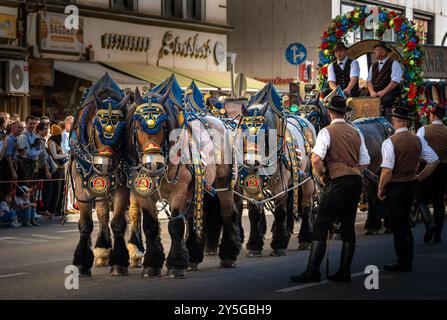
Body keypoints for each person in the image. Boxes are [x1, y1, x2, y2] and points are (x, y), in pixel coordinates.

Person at [290, 95, 370, 283]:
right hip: (355, 181)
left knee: (321, 224)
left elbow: (316, 159)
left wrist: (323, 176)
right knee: (348, 226)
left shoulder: (327, 131)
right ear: (345, 113)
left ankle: (313, 271)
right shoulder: (355, 132)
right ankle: (344, 271)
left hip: (338, 181)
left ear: (329, 112)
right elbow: (365, 161)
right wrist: (352, 171)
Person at [378, 103, 439, 272]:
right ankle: (408, 259)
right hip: (411, 185)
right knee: (406, 223)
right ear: (406, 121)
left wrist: (381, 188)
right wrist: (419, 176)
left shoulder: (390, 142)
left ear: (394, 120)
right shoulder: (417, 140)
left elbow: (387, 171)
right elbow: (433, 160)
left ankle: (402, 261)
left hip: (396, 187)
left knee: (398, 226)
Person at [416, 104, 447, 243]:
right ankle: (438, 236)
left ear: (433, 115)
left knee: (421, 198)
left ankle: (429, 223)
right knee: (439, 202)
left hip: (427, 168)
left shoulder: (423, 130)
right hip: (444, 170)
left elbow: (418, 150)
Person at [367, 41, 403, 121]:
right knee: (365, 100)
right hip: (375, 92)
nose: (374, 52)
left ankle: (387, 123)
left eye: (377, 50)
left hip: (389, 91)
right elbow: (369, 81)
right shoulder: (373, 65)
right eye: (375, 50)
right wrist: (372, 92)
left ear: (384, 51)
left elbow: (395, 81)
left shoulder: (394, 63)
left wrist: (383, 92)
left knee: (386, 100)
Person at [47, 124, 69, 216]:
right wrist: (66, 155)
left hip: (61, 167)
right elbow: (54, 155)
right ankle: (53, 209)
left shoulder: (56, 143)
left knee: (61, 190)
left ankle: (59, 209)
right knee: (56, 190)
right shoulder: (51, 142)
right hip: (56, 169)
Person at [35, 122, 55, 218]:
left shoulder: (43, 139)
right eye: (45, 129)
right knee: (46, 189)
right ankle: (43, 209)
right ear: (39, 130)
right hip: (43, 168)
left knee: (46, 189)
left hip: (44, 167)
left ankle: (43, 209)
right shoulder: (39, 140)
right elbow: (42, 157)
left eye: (47, 128)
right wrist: (47, 170)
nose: (47, 130)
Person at [17, 116, 43, 186]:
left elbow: (36, 148)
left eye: (34, 124)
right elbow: (27, 153)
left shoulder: (34, 135)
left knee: (32, 187)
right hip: (25, 165)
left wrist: (39, 145)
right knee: (26, 187)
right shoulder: (23, 136)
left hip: (33, 164)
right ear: (26, 123)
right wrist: (40, 152)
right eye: (30, 123)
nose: (32, 125)